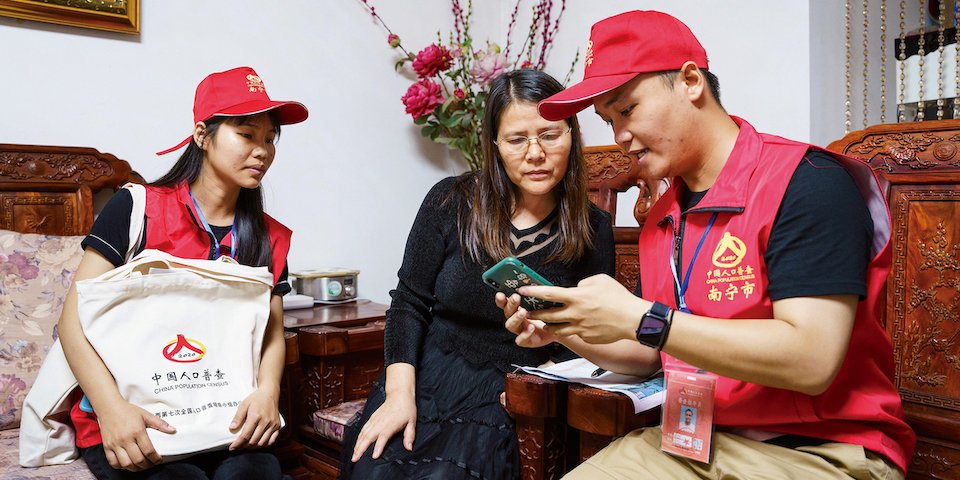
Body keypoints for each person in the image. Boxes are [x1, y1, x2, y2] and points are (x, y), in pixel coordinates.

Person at [501, 10, 916, 480]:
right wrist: (566, 329)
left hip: (822, 450)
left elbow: (811, 359)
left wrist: (642, 318)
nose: (619, 137)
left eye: (628, 109)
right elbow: (655, 353)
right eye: (608, 119)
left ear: (690, 81)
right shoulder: (664, 217)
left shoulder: (807, 184)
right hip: (697, 442)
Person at [340, 68, 645, 480]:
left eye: (550, 135)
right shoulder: (450, 201)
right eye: (517, 139)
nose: (535, 153)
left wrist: (538, 383)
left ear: (572, 135)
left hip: (509, 392)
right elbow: (409, 304)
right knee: (375, 468)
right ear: (496, 144)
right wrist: (398, 396)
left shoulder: (591, 228)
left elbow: (588, 339)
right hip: (428, 376)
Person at [58, 66, 308, 480]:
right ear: (202, 136)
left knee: (251, 474)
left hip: (222, 417)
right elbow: (71, 323)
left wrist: (267, 392)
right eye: (246, 135)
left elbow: (272, 333)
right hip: (134, 414)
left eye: (269, 139)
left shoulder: (270, 237)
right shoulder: (136, 208)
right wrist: (111, 411)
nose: (262, 150)